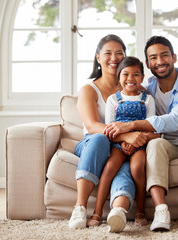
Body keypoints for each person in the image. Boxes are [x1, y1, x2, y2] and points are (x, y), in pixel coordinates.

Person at [104, 35, 178, 231]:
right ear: (148, 64)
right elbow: (125, 89)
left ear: (174, 57)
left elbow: (174, 120)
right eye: (153, 58)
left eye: (164, 55)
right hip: (168, 144)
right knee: (156, 143)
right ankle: (161, 209)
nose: (160, 62)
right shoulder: (148, 88)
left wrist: (130, 125)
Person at [68, 35, 153, 232]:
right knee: (99, 138)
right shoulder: (89, 89)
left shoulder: (132, 87)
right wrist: (125, 136)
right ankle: (79, 208)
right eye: (108, 53)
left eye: (119, 53)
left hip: (121, 147)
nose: (113, 58)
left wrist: (132, 140)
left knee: (125, 166)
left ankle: (118, 212)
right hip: (93, 144)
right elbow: (91, 126)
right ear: (98, 57)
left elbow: (150, 118)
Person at [86, 56, 158, 228]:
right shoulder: (113, 99)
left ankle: (141, 211)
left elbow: (151, 127)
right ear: (119, 77)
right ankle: (97, 213)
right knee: (109, 168)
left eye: (136, 75)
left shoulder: (147, 99)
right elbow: (110, 128)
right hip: (118, 143)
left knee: (137, 167)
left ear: (142, 77)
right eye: (125, 74)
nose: (130, 79)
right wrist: (124, 139)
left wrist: (135, 141)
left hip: (139, 142)